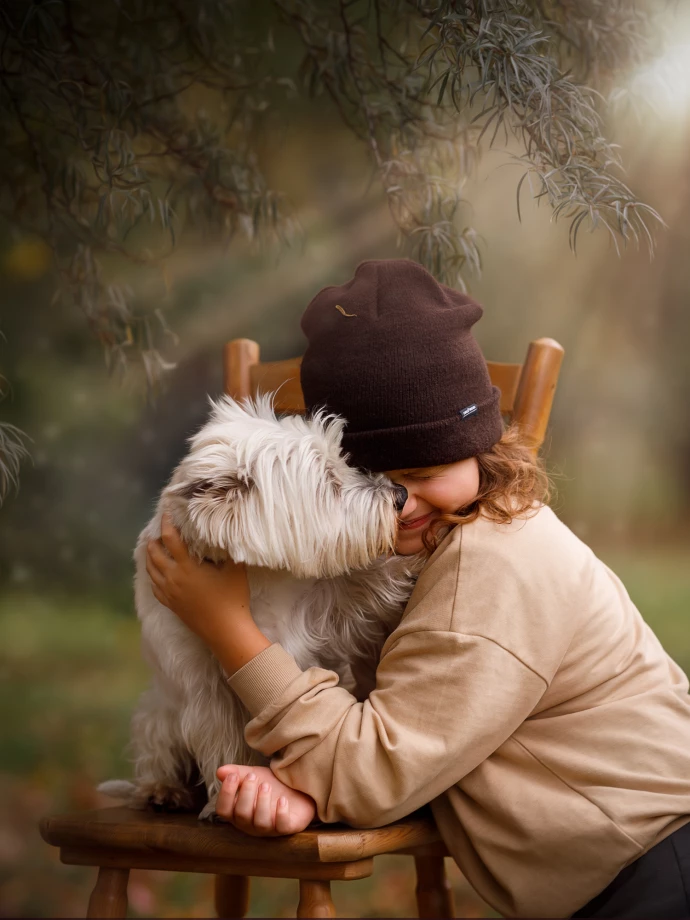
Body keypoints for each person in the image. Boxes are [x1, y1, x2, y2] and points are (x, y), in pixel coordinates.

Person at [145, 259, 690, 918]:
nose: (401, 504)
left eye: (426, 470)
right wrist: (303, 784)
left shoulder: (490, 571)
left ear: (479, 449)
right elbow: (415, 724)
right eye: (372, 478)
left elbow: (370, 774)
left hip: (657, 871)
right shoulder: (437, 544)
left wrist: (229, 628)